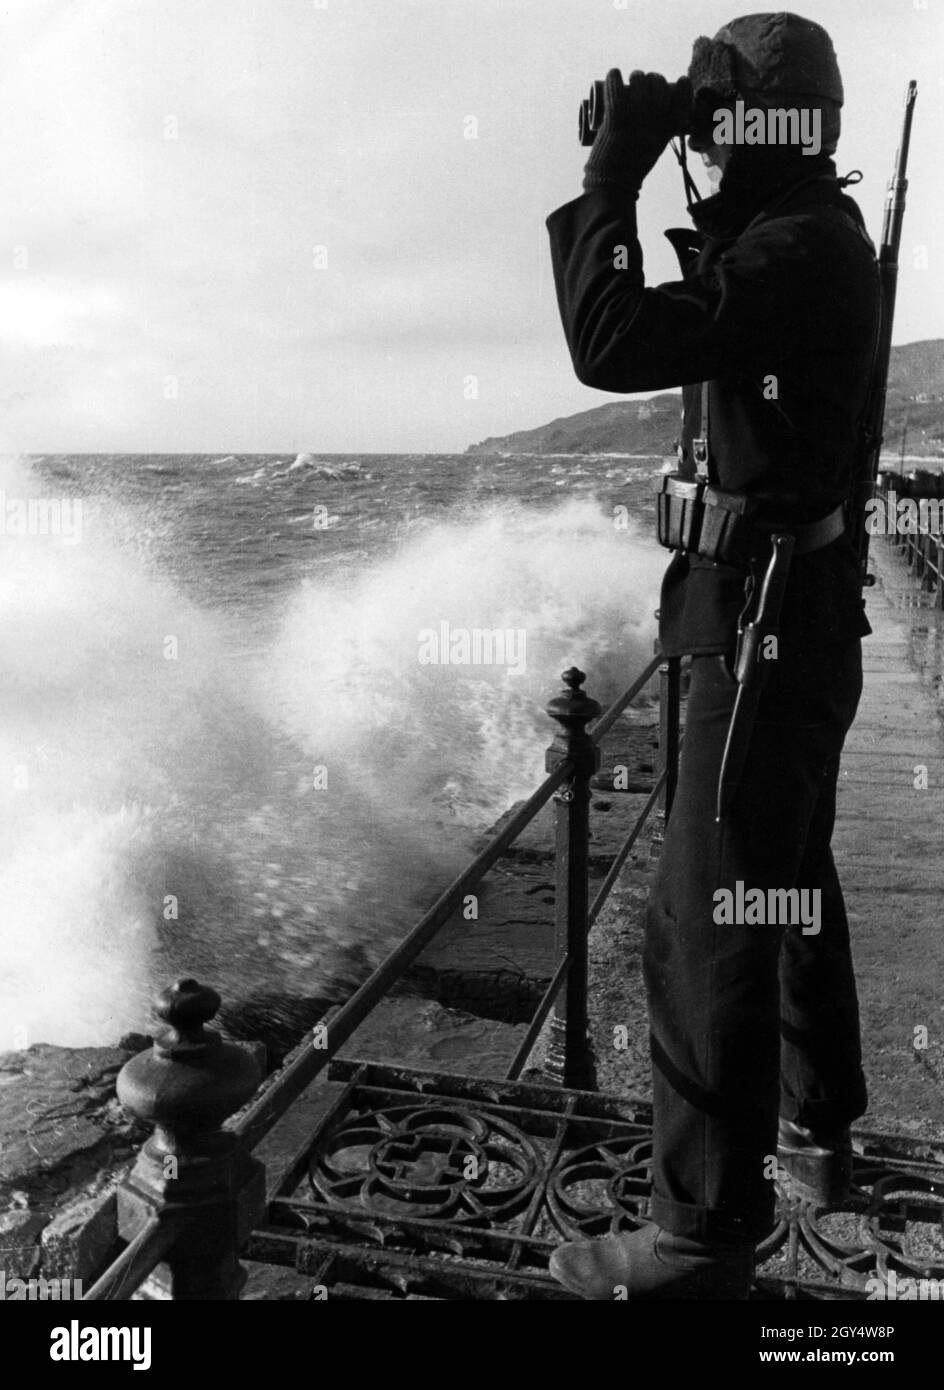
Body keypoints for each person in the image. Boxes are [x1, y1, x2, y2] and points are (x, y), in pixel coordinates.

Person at [544, 12, 880, 1299]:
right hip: (776, 612)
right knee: (784, 883)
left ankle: (695, 1233)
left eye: (718, 114)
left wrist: (609, 180)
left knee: (703, 918)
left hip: (759, 621)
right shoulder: (800, 236)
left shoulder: (796, 248)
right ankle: (815, 1125)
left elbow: (608, 340)